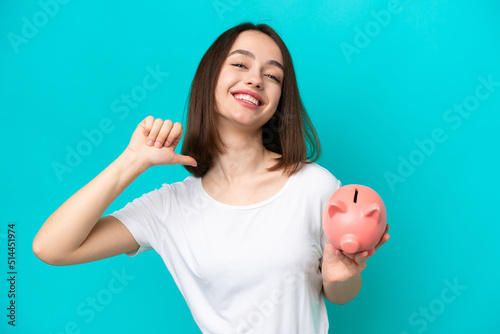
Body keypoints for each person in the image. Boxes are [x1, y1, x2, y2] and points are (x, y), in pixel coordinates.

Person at [33, 22, 390, 333]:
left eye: (272, 75)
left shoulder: (316, 186)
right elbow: (52, 247)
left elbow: (339, 295)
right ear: (210, 77)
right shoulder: (169, 207)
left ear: (279, 98)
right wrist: (132, 161)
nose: (255, 79)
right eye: (240, 64)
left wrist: (340, 276)